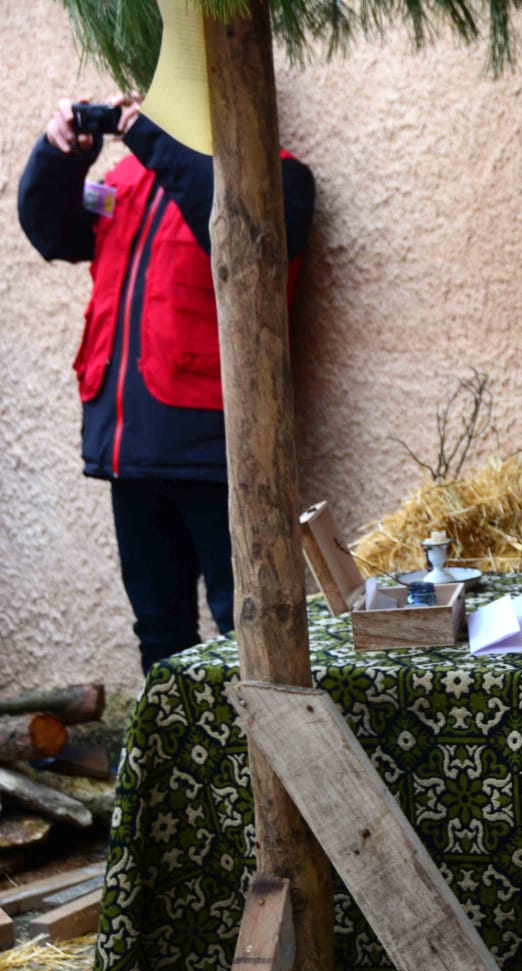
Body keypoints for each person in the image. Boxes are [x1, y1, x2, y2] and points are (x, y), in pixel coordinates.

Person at [18, 94, 315, 675]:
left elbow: (252, 233)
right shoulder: (128, 177)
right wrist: (58, 155)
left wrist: (155, 139)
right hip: (132, 452)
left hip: (220, 450)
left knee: (246, 626)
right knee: (159, 631)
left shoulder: (278, 176)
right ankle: (172, 761)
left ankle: (250, 761)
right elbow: (52, 232)